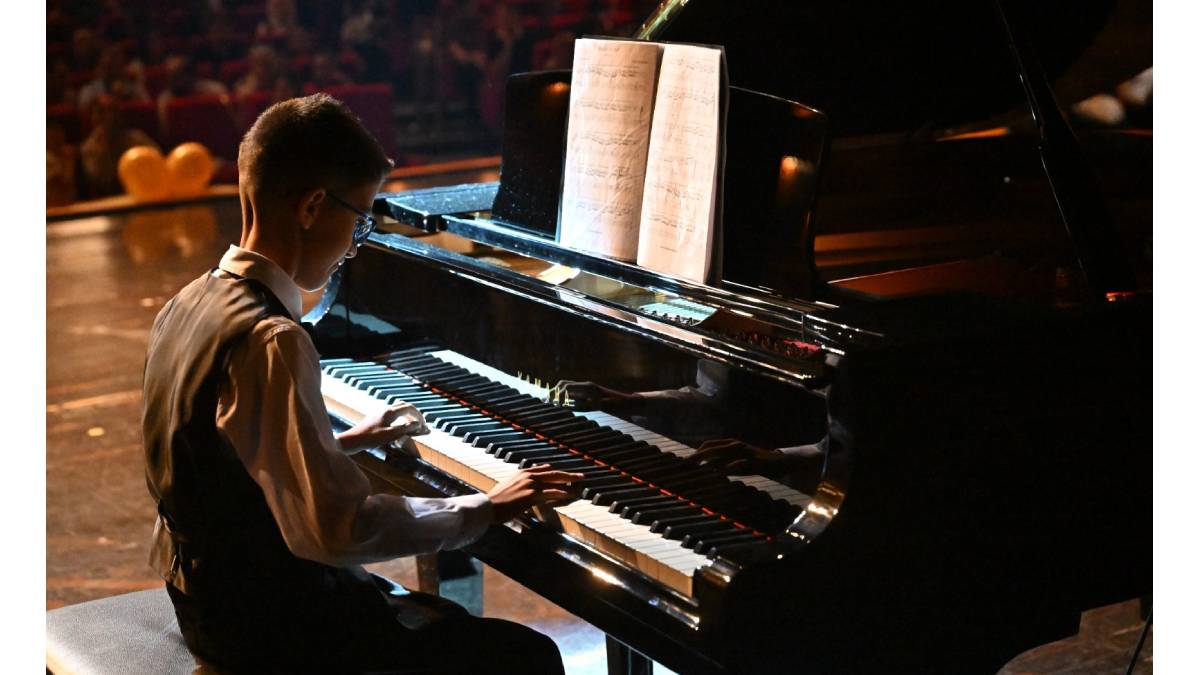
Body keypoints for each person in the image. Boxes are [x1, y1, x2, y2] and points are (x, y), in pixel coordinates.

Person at [142, 94, 576, 674]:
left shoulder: (188, 301)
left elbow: (215, 465)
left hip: (210, 603)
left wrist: (339, 443)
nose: (356, 240)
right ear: (313, 206)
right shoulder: (270, 337)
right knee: (525, 655)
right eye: (361, 216)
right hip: (273, 635)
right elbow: (337, 531)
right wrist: (482, 508)